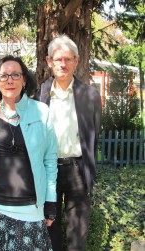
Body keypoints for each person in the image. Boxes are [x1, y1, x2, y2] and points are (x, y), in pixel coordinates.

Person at [0, 55, 58, 250]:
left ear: (24, 80)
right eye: (4, 76)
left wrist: (50, 201)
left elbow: (50, 160)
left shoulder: (42, 112)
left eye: (16, 75)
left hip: (31, 211)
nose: (9, 80)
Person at [36, 34, 102, 251]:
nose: (62, 64)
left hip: (77, 170)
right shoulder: (39, 96)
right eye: (57, 59)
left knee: (77, 234)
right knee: (48, 230)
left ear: (76, 61)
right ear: (49, 62)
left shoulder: (90, 95)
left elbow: (94, 134)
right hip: (48, 172)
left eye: (67, 59)